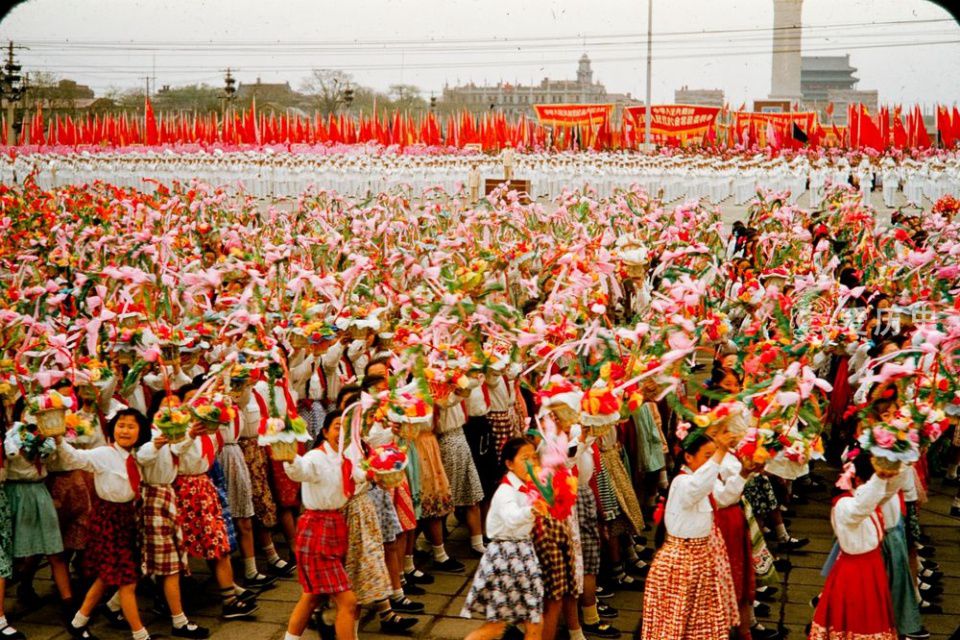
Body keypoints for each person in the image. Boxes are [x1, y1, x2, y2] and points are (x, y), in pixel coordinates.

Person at [58, 409, 154, 640]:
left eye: (131, 426)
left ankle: (78, 622)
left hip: (129, 519)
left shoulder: (139, 455)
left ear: (141, 431)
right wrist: (58, 438)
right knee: (127, 581)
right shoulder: (104, 453)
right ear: (112, 429)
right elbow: (74, 458)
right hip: (108, 519)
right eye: (121, 425)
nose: (125, 430)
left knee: (108, 575)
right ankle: (140, 634)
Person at [641, 423, 739, 640]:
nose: (712, 462)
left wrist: (745, 473)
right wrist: (721, 452)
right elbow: (697, 487)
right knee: (673, 628)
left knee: (701, 626)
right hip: (680, 563)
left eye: (712, 455)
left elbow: (725, 498)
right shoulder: (683, 483)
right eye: (707, 456)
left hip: (701, 561)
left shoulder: (701, 482)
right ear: (688, 457)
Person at [281, 411, 360, 640]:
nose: (342, 432)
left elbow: (359, 477)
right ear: (325, 431)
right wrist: (289, 456)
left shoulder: (346, 457)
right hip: (317, 530)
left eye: (347, 427)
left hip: (336, 526)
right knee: (348, 601)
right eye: (337, 426)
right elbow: (299, 471)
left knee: (312, 596)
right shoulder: (316, 457)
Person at [809, 450, 898, 640]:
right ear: (858, 480)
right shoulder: (844, 506)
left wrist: (903, 459)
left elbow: (888, 490)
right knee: (856, 622)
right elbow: (863, 505)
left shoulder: (862, 498)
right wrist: (880, 478)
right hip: (855, 573)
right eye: (874, 480)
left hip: (871, 569)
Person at [461, 437, 544, 640]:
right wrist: (534, 509)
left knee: (533, 623)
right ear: (509, 463)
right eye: (525, 459)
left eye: (533, 458)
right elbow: (512, 517)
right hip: (508, 559)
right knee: (497, 627)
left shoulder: (525, 486)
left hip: (521, 554)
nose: (531, 464)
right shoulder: (506, 491)